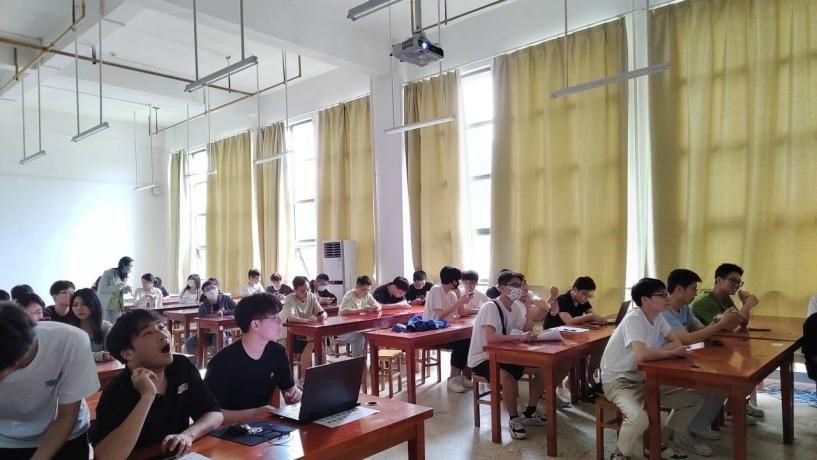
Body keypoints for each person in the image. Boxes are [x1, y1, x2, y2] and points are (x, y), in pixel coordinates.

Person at [601, 278, 709, 460]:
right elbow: (643, 355)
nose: (667, 298)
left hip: (645, 377)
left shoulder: (658, 317)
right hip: (619, 381)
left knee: (694, 399)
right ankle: (619, 455)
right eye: (661, 295)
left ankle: (660, 443)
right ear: (645, 300)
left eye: (666, 294)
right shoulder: (634, 318)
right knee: (639, 419)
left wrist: (660, 351)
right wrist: (670, 352)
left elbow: (676, 342)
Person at [91, 309, 223, 458]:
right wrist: (147, 397)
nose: (162, 334)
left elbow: (214, 413)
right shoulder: (116, 390)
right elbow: (106, 456)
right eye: (148, 333)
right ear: (127, 353)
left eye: (161, 327)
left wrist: (187, 435)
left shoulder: (181, 366)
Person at [0, 302, 99, 459]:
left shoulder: (70, 340)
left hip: (66, 434)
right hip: (8, 439)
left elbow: (68, 415)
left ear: (18, 360)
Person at [662, 268, 745, 439]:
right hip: (666, 363)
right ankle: (680, 433)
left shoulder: (685, 309)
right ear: (679, 289)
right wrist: (720, 324)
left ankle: (696, 427)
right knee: (711, 384)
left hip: (683, 358)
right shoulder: (664, 311)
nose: (696, 293)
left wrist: (719, 321)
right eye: (693, 289)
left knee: (722, 383)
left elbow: (702, 330)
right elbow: (688, 339)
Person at [467, 271, 547, 440]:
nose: (520, 289)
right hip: (483, 358)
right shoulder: (491, 307)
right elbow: (491, 338)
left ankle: (530, 412)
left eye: (521, 285)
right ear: (502, 288)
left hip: (505, 355)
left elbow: (525, 329)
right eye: (515, 285)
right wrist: (520, 337)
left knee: (543, 370)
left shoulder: (516, 307)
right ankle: (513, 419)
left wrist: (527, 306)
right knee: (508, 379)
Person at [204, 293, 302, 424]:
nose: (281, 322)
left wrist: (294, 395)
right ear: (255, 325)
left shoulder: (278, 352)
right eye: (275, 318)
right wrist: (255, 414)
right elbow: (208, 415)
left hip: (262, 428)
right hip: (227, 431)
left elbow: (288, 389)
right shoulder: (222, 362)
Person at [691, 263, 765, 420]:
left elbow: (742, 322)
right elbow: (730, 325)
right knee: (742, 370)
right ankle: (733, 407)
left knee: (751, 363)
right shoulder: (703, 301)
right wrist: (749, 305)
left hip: (719, 345)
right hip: (702, 348)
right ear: (719, 280)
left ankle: (735, 404)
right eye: (733, 281)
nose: (737, 285)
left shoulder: (725, 298)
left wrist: (745, 305)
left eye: (739, 282)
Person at [423, 266, 478, 393]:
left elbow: (462, 313)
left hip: (446, 331)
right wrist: (459, 302)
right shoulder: (436, 290)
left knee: (467, 341)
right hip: (432, 333)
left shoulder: (452, 293)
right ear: (453, 280)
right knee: (460, 343)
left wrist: (461, 298)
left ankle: (459, 377)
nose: (459, 283)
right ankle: (453, 378)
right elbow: (440, 315)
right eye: (458, 280)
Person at [282, 276, 327, 375]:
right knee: (315, 341)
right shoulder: (290, 298)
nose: (306, 293)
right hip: (294, 336)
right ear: (295, 290)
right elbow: (289, 317)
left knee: (318, 342)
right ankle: (306, 377)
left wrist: (322, 316)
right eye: (302, 291)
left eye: (308, 289)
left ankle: (320, 375)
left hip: (310, 334)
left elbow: (322, 312)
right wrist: (306, 321)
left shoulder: (312, 296)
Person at [183, 280, 237, 354]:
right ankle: (192, 361)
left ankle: (218, 360)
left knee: (217, 337)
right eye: (207, 289)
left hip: (224, 331)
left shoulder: (226, 299)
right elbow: (200, 324)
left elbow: (237, 310)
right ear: (204, 294)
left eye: (213, 288)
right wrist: (210, 318)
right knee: (189, 342)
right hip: (207, 333)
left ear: (217, 289)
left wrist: (224, 312)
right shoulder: (203, 307)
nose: (211, 291)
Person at [338, 276, 381, 357]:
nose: (366, 292)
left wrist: (375, 308)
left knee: (369, 333)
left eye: (368, 290)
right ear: (357, 287)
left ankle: (364, 360)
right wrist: (362, 310)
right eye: (364, 290)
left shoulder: (367, 295)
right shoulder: (349, 296)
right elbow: (342, 312)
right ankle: (357, 362)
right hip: (345, 330)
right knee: (360, 336)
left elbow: (379, 306)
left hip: (359, 327)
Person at [71, 288, 114, 362]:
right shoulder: (70, 330)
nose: (79, 308)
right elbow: (71, 356)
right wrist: (97, 356)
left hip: (103, 369)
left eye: (84, 304)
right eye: (75, 305)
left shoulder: (106, 328)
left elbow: (111, 355)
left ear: (94, 305)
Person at [96, 256, 134, 324]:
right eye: (130, 266)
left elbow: (119, 291)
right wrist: (119, 287)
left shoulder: (124, 275)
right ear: (124, 265)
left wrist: (125, 290)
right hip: (106, 302)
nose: (131, 269)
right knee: (105, 323)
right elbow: (102, 288)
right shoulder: (108, 273)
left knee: (116, 323)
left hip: (116, 303)